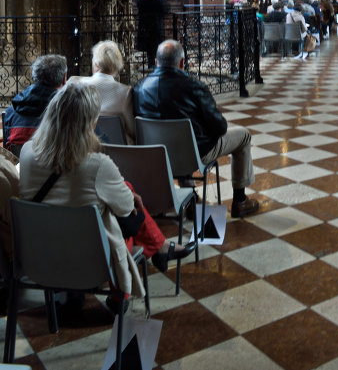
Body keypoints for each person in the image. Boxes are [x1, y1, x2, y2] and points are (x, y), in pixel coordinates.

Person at [18, 80, 194, 312]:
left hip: (39, 256)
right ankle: (124, 292)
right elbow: (127, 212)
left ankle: (160, 248)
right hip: (93, 262)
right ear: (90, 122)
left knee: (106, 203)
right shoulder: (98, 166)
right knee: (119, 218)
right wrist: (129, 194)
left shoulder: (27, 152)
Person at [133, 40, 259, 218]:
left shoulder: (139, 88)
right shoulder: (194, 86)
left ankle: (191, 199)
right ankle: (240, 201)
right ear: (182, 63)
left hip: (156, 156)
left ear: (155, 63)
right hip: (194, 154)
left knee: (179, 140)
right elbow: (220, 127)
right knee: (243, 136)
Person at [3, 54, 67, 152]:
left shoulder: (11, 111)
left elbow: (8, 151)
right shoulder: (68, 110)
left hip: (20, 166)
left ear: (34, 78)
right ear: (64, 79)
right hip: (56, 166)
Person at [83, 40, 135, 143]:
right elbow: (133, 130)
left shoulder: (79, 86)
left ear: (96, 63)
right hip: (118, 151)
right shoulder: (125, 92)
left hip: (87, 147)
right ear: (118, 64)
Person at [136, 0, 169, 68]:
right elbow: (165, 11)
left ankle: (151, 63)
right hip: (156, 26)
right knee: (156, 46)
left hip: (144, 26)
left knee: (148, 46)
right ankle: (156, 64)